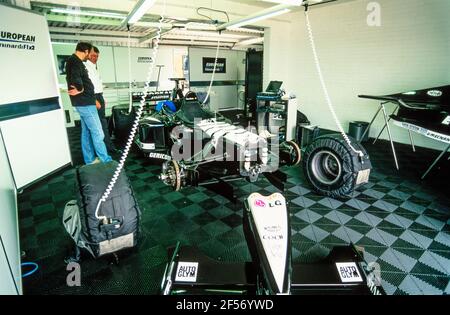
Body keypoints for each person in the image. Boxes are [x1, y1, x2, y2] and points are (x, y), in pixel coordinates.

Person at [65, 42, 112, 165]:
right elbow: (77, 81)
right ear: (85, 51)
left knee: (86, 133)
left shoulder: (73, 61)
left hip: (84, 102)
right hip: (86, 103)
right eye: (90, 53)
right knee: (98, 132)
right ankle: (105, 160)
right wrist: (80, 89)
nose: (90, 56)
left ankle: (89, 160)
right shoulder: (75, 62)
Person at [84, 46, 120, 155]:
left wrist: (101, 98)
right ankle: (104, 150)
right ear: (88, 54)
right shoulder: (85, 67)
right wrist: (95, 100)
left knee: (101, 124)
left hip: (99, 96)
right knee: (97, 126)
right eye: (93, 55)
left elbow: (96, 84)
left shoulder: (94, 67)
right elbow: (87, 87)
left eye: (97, 56)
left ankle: (107, 148)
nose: (95, 58)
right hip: (93, 98)